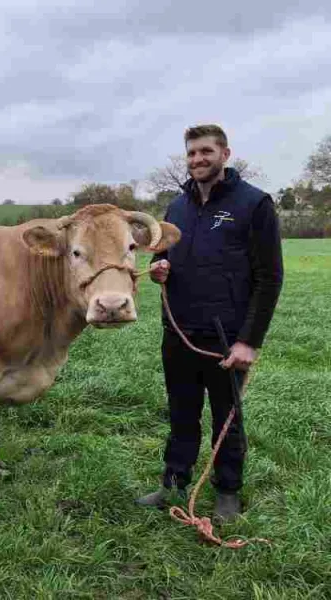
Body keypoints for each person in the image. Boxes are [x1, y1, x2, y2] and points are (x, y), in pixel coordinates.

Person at [136, 124, 284, 522]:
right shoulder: (177, 206)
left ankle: (227, 492)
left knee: (227, 417)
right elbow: (159, 255)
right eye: (191, 154)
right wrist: (158, 268)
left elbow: (270, 277)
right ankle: (173, 481)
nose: (198, 160)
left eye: (206, 152)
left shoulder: (254, 204)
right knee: (181, 413)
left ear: (225, 154)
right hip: (179, 332)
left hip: (227, 337)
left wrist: (249, 341)